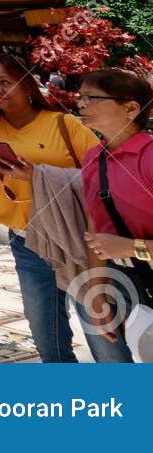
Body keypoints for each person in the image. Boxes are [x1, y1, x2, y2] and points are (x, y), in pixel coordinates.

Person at [0, 54, 128, 363]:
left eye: (4, 82)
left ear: (26, 84)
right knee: (45, 333)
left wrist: (37, 174)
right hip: (27, 243)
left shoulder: (62, 124)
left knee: (102, 329)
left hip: (79, 238)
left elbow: (102, 176)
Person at [79, 68, 153, 359]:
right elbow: (96, 227)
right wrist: (97, 291)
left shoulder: (148, 157)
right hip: (126, 282)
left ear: (131, 108)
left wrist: (129, 247)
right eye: (80, 98)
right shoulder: (93, 157)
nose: (81, 105)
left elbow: (113, 242)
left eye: (92, 98)